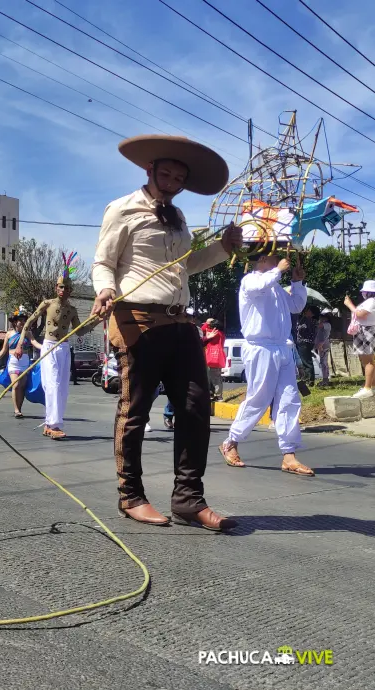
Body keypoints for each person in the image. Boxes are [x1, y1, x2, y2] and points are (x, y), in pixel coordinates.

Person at [92, 134, 242, 530]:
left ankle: (188, 499)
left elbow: (185, 268)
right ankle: (131, 496)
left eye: (180, 177)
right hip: (137, 321)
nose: (173, 180)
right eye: (167, 173)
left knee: (195, 407)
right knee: (135, 410)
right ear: (150, 171)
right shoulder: (123, 209)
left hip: (180, 322)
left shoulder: (177, 219)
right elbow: (103, 262)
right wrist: (105, 288)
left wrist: (224, 247)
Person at [218, 251, 314, 476]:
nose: (282, 260)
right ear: (262, 260)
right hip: (260, 347)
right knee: (258, 398)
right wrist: (278, 270)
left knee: (290, 400)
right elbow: (258, 285)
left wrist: (297, 281)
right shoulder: (251, 280)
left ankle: (289, 454)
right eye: (276, 257)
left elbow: (296, 305)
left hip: (283, 347)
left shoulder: (277, 287)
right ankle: (231, 441)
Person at [18, 251, 93, 439]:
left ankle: (51, 423)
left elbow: (80, 330)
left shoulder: (72, 310)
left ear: (70, 291)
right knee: (52, 385)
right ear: (55, 287)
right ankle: (52, 424)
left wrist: (98, 320)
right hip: (49, 346)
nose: (64, 290)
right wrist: (20, 344)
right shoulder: (47, 304)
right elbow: (29, 322)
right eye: (61, 287)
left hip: (64, 348)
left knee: (62, 388)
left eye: (67, 288)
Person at [0, 306, 43, 418]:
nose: (23, 323)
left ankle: (19, 409)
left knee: (22, 387)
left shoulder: (28, 333)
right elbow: (4, 350)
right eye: (20, 321)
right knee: (16, 385)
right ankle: (16, 409)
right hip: (13, 363)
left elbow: (34, 342)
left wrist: (45, 347)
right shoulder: (9, 334)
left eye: (25, 321)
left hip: (24, 363)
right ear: (15, 322)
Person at [344, 279, 375, 398]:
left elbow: (361, 314)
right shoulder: (369, 301)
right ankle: (371, 385)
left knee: (368, 360)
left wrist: (349, 304)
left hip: (366, 331)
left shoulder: (371, 301)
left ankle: (367, 388)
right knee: (365, 359)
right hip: (362, 331)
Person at [202, 318, 226, 401]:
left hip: (212, 358)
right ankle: (216, 395)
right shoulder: (221, 334)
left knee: (213, 378)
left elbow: (202, 330)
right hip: (218, 358)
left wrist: (206, 322)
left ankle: (218, 395)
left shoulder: (214, 333)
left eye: (210, 325)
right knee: (217, 377)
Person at [293, 305, 318, 386]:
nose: (306, 311)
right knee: (306, 360)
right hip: (308, 342)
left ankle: (309, 380)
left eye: (309, 310)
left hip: (304, 342)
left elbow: (302, 329)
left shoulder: (308, 320)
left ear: (312, 313)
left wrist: (299, 325)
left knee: (306, 361)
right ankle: (308, 379)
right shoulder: (313, 321)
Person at [314, 310, 332, 387]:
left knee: (323, 362)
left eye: (322, 317)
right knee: (322, 362)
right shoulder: (324, 324)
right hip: (321, 344)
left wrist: (321, 344)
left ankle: (325, 379)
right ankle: (325, 379)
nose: (320, 318)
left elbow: (320, 326)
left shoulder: (327, 324)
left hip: (324, 345)